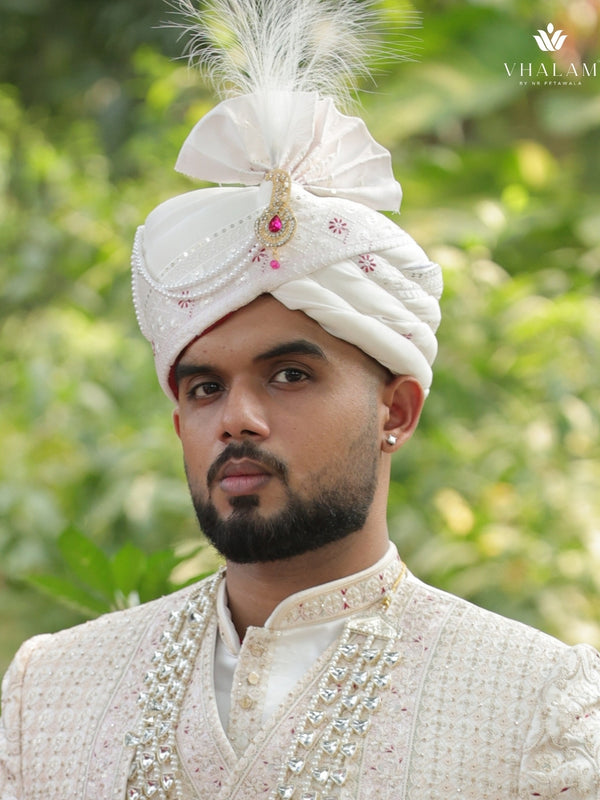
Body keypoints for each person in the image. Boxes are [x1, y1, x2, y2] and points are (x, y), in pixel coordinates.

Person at [1, 1, 599, 798]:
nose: (236, 419)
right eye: (205, 387)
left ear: (397, 410)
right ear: (179, 422)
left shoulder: (535, 709)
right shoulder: (50, 693)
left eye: (289, 375)